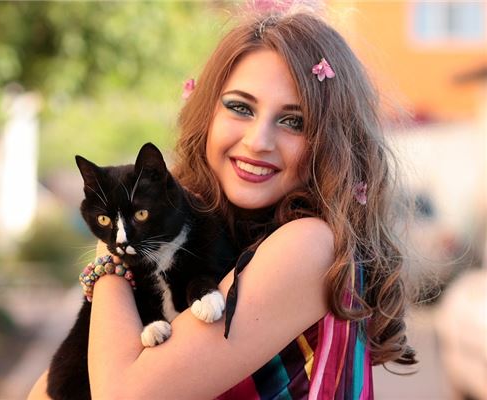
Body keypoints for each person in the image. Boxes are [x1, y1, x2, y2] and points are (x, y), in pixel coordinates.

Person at [29, 8, 417, 400]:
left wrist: (112, 250)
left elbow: (120, 395)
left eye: (294, 122)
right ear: (208, 114)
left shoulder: (309, 244)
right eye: (240, 107)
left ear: (332, 144)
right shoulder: (210, 239)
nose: (257, 141)